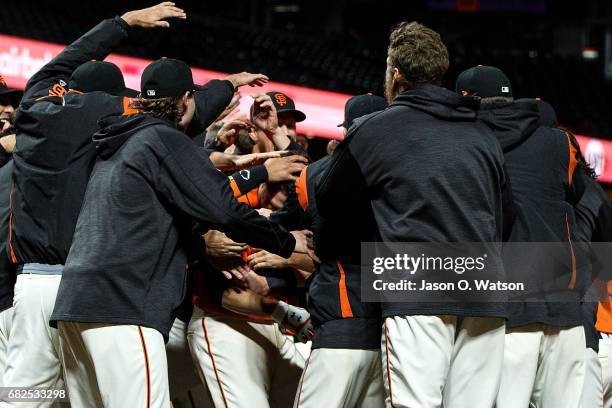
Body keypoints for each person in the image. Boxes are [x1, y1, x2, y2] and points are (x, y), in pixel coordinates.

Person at [51, 57, 310, 408]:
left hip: (76, 305)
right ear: (186, 99)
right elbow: (221, 207)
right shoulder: (161, 139)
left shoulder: (122, 139)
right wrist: (285, 242)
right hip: (123, 305)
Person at [317, 23, 509, 408]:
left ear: (396, 74)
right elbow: (505, 217)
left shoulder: (376, 130)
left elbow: (330, 204)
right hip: (486, 290)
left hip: (416, 287)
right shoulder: (483, 133)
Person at [3, 4, 187, 402]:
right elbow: (174, 114)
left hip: (32, 286)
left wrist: (120, 24)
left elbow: (53, 70)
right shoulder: (110, 124)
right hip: (89, 288)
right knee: (97, 396)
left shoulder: (33, 112)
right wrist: (224, 88)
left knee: (20, 394)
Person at [456, 66, 587, 408]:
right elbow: (578, 190)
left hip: (504, 314)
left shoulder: (466, 144)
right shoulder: (560, 141)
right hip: (565, 309)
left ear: (466, 99)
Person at [281, 93, 387, 408]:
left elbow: (283, 226)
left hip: (341, 324)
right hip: (393, 334)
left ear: (346, 130)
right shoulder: (408, 174)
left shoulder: (317, 174)